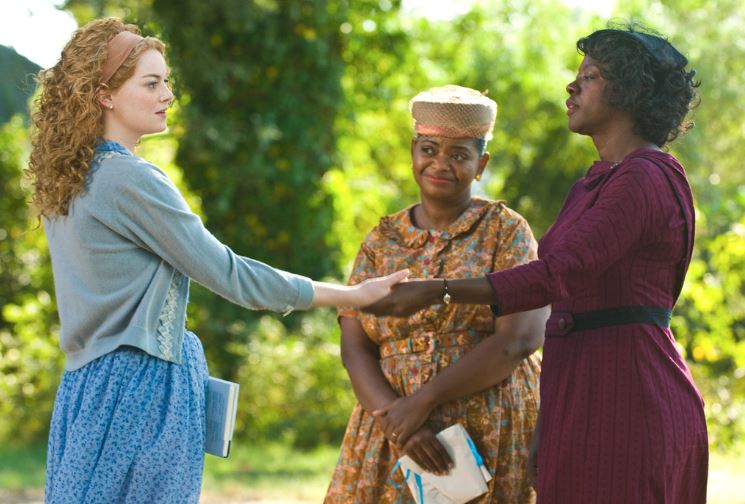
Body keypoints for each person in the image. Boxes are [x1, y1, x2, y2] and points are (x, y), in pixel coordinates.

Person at [27, 17, 407, 503]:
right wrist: (351, 295)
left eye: (166, 81)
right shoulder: (129, 179)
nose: (168, 94)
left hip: (86, 387)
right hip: (141, 387)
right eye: (151, 83)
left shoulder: (69, 179)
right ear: (105, 96)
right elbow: (230, 275)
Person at [365, 27, 708, 504]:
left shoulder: (646, 176)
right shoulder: (591, 184)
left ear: (629, 93)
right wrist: (548, 424)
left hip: (629, 393)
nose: (572, 86)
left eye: (590, 76)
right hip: (578, 389)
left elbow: (558, 274)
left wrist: (436, 290)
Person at [324, 85, 550, 503]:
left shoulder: (506, 231)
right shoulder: (381, 240)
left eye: (459, 155)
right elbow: (355, 346)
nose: (440, 164)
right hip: (393, 431)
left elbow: (519, 339)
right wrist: (398, 422)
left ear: (481, 164)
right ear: (413, 151)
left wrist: (424, 401)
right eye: (429, 149)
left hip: (487, 426)